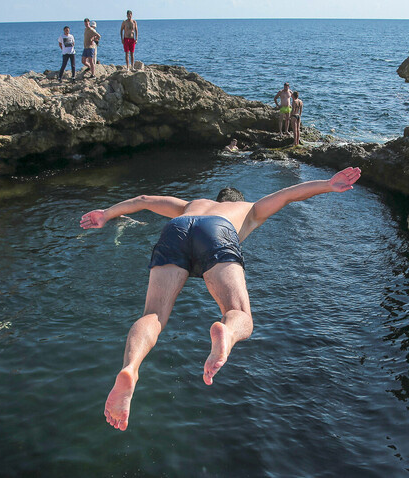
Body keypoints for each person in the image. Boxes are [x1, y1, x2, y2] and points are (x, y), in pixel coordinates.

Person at [79, 166, 363, 431]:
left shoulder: (191, 203)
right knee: (239, 314)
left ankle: (130, 367)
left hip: (177, 227)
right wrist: (327, 184)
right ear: (239, 200)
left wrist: (106, 214)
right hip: (218, 231)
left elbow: (143, 199)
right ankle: (226, 332)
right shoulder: (249, 208)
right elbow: (288, 194)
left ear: (216, 198)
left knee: (153, 314)